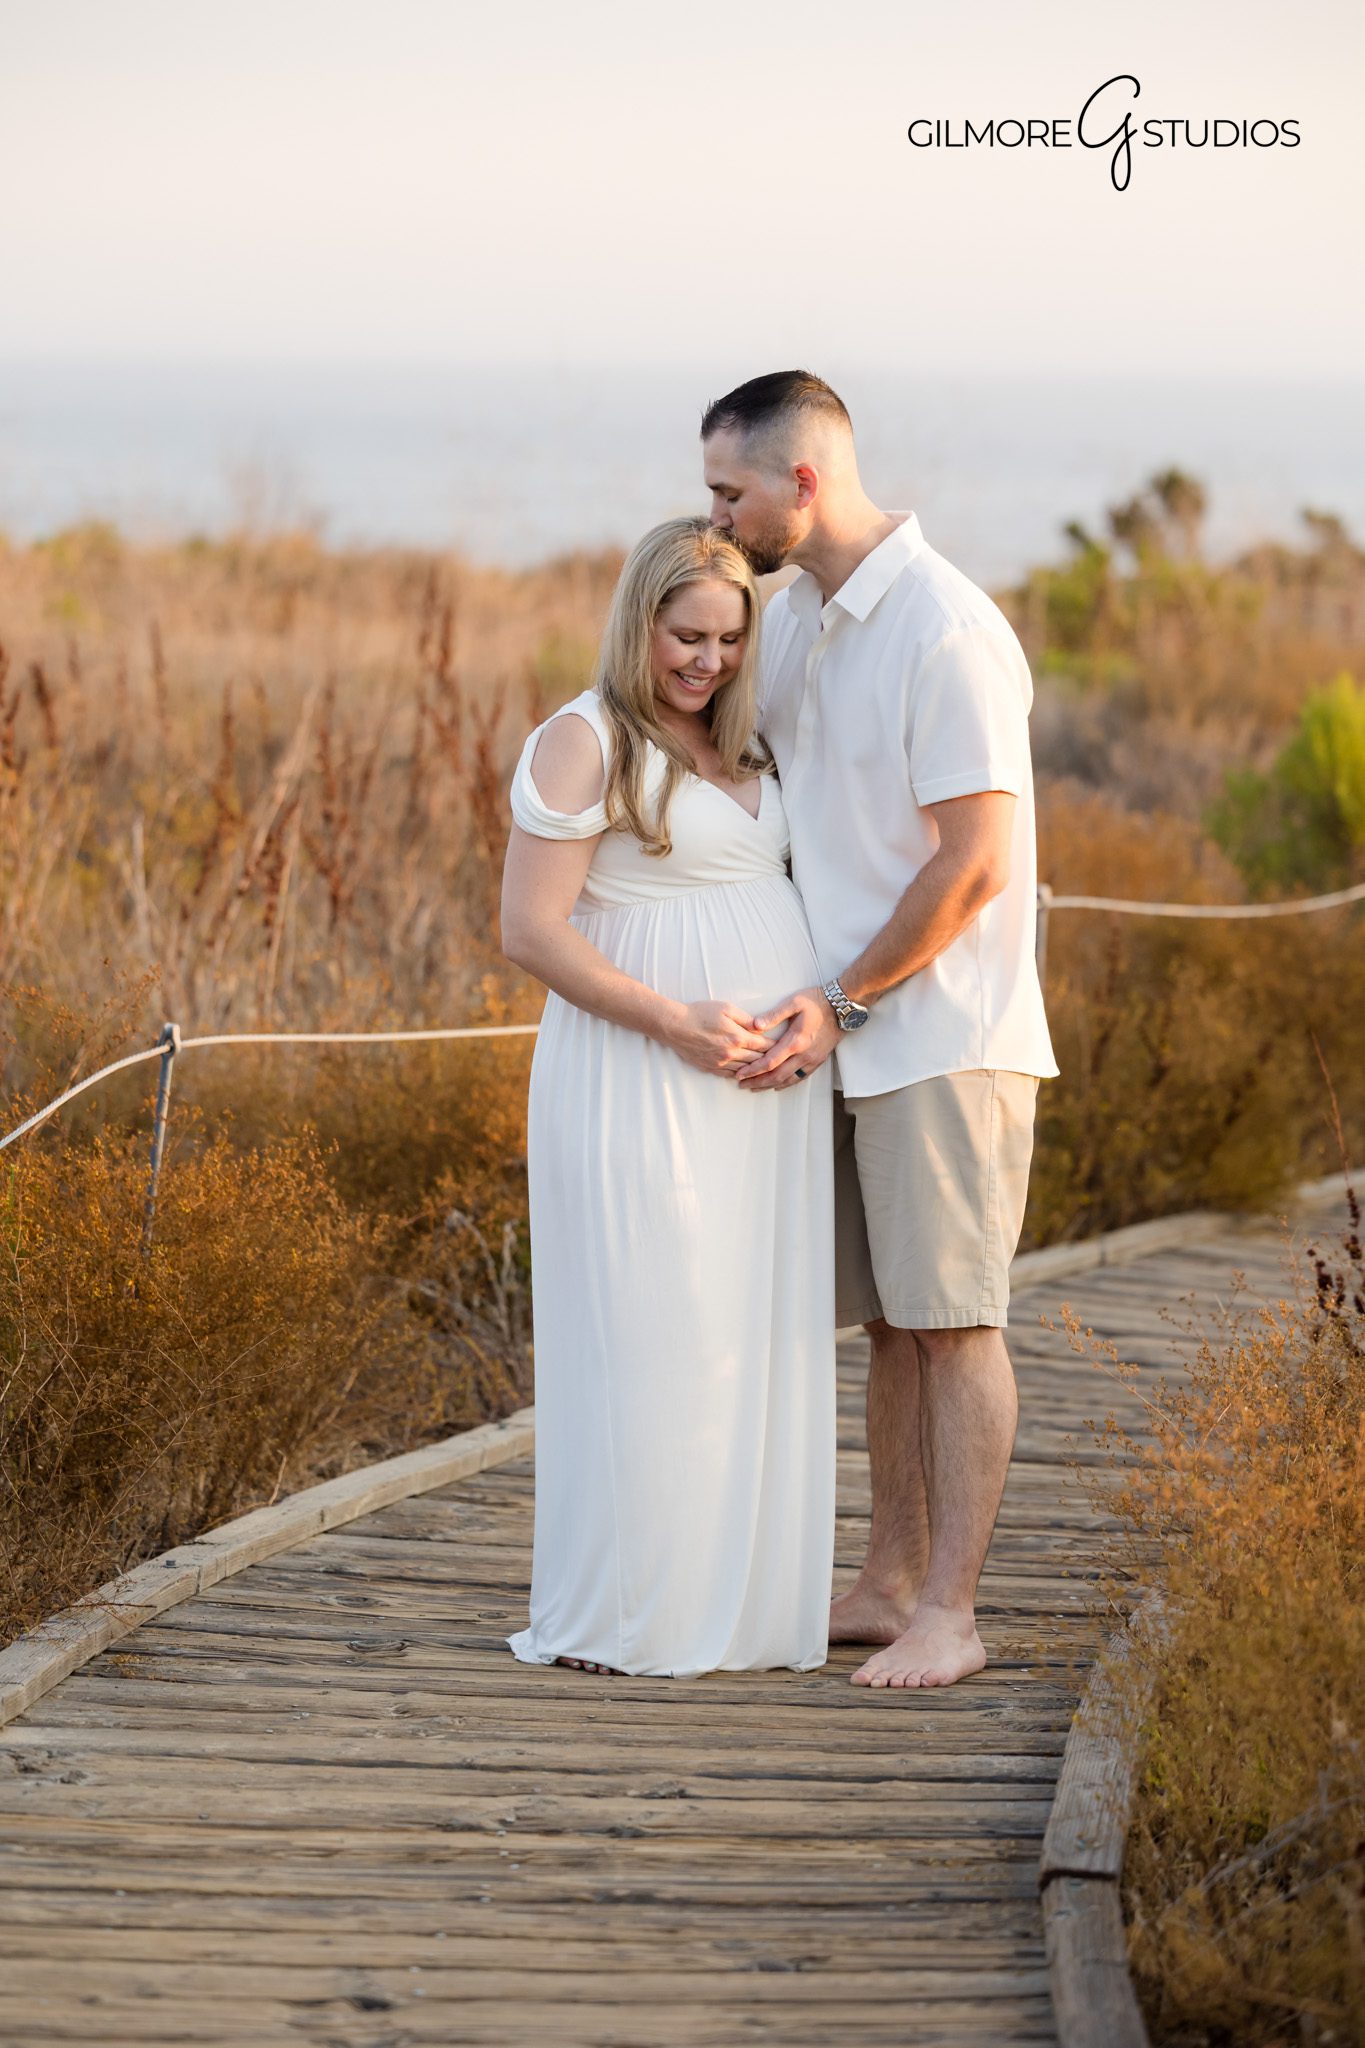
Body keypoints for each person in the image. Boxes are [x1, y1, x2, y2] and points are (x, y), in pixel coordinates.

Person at [701, 370, 1060, 1690]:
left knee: (954, 1322)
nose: (718, 517)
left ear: (803, 480)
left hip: (942, 1037)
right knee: (890, 1328)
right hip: (843, 1038)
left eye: (729, 491)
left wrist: (845, 999)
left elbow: (972, 865)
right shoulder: (793, 627)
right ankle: (887, 1580)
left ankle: (951, 1618)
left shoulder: (946, 629)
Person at [500, 516, 836, 1680]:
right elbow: (531, 930)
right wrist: (675, 1020)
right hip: (638, 1075)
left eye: (730, 638)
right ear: (638, 618)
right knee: (652, 1325)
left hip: (763, 1089)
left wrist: (808, 1010)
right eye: (686, 635)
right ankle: (632, 1609)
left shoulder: (751, 746)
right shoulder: (583, 740)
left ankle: (738, 1608)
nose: (707, 661)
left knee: (748, 1331)